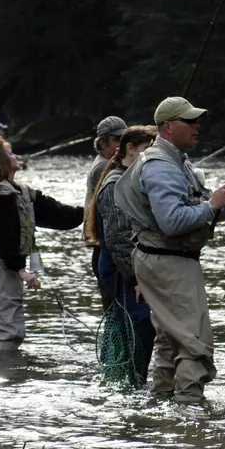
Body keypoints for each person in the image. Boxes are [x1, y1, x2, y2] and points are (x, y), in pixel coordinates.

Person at [115, 96, 225, 404]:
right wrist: (211, 206)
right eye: (190, 121)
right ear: (168, 127)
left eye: (197, 120)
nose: (198, 126)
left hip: (160, 260)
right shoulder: (161, 167)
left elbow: (195, 208)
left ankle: (162, 409)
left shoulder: (175, 161)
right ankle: (190, 415)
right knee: (195, 342)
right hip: (170, 263)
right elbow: (172, 222)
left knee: (169, 340)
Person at [0, 137, 83, 352]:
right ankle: (8, 379)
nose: (16, 156)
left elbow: (58, 215)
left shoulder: (20, 192)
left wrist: (88, 211)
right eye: (11, 154)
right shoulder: (0, 196)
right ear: (1, 162)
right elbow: (4, 237)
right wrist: (23, 271)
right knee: (8, 329)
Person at [86, 125, 158, 385]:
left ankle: (130, 377)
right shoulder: (114, 183)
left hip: (131, 266)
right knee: (140, 321)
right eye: (147, 150)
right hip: (118, 267)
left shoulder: (132, 178)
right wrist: (137, 279)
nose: (151, 157)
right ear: (130, 149)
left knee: (135, 323)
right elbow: (117, 240)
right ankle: (132, 380)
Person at [84, 115, 127, 306]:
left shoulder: (108, 162)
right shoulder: (103, 166)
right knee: (116, 310)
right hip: (106, 249)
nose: (124, 144)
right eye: (118, 140)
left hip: (108, 246)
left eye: (126, 139)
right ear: (102, 143)